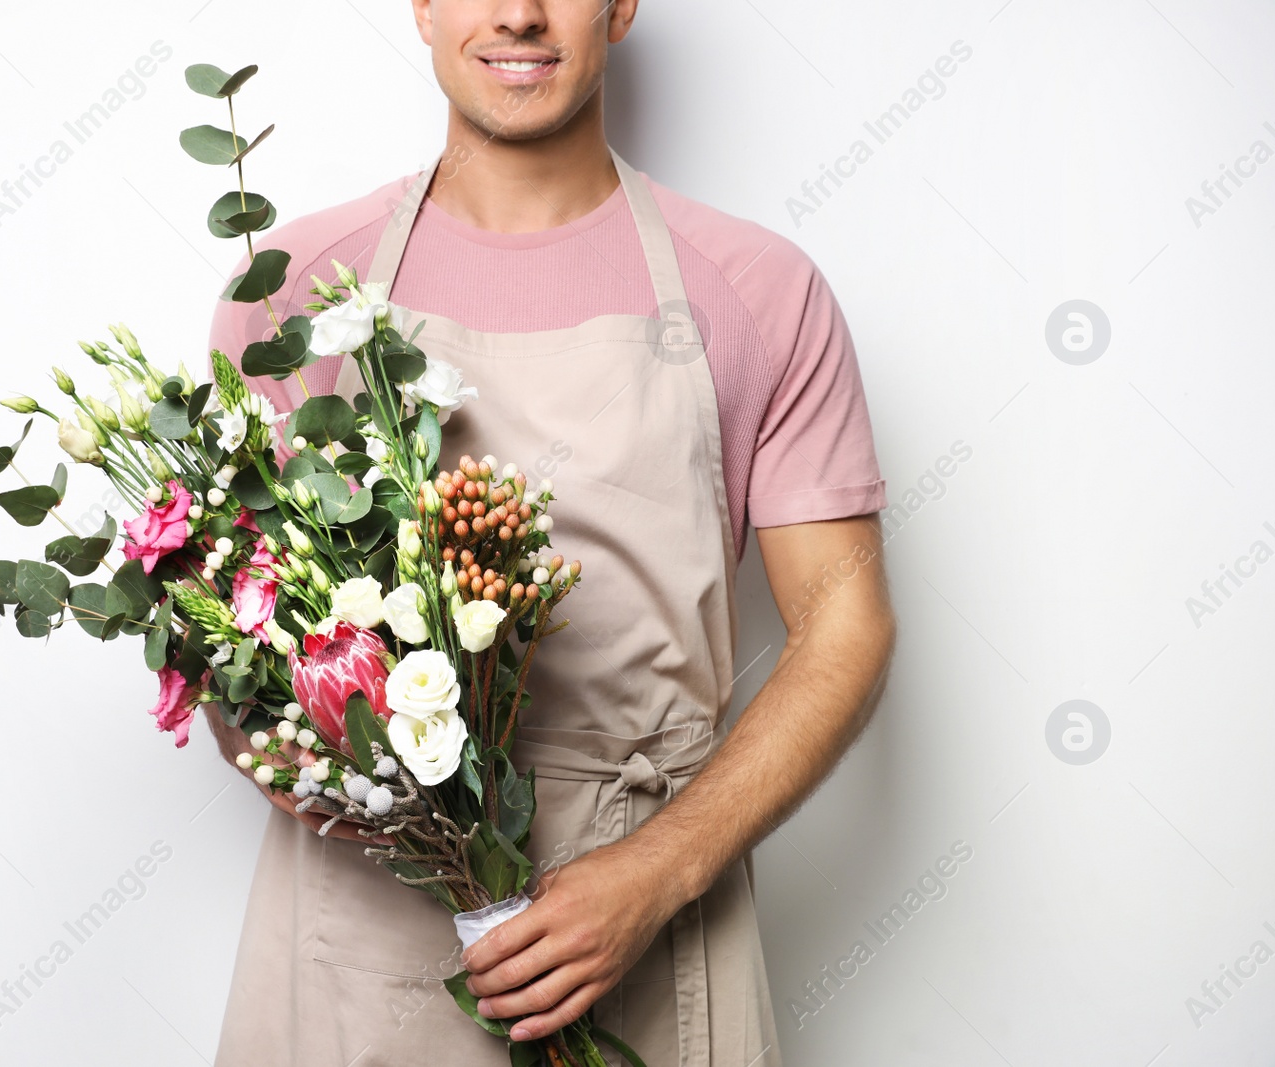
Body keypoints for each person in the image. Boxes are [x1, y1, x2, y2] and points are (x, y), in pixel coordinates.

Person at [203, 2, 897, 1064]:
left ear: (621, 6)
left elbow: (844, 624)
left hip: (655, 896)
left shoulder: (758, 290)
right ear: (423, 6)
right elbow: (224, 618)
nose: (519, 10)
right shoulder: (293, 292)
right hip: (365, 917)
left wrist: (660, 870)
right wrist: (401, 809)